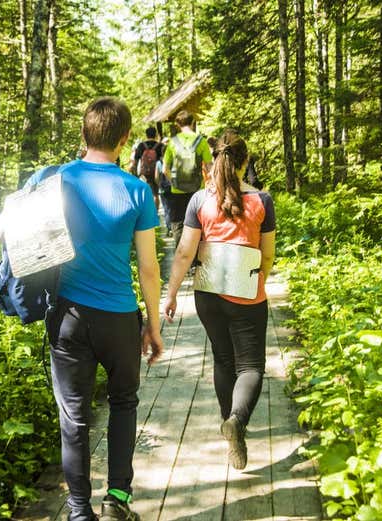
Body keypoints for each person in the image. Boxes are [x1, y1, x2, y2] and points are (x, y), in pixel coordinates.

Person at [0, 97, 163, 521]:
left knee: (74, 416)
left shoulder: (52, 179)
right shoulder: (138, 190)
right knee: (124, 402)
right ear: (125, 139)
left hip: (68, 317)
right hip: (120, 319)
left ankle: (77, 511)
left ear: (84, 134)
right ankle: (117, 501)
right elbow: (148, 268)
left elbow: (4, 228)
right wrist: (154, 326)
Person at [162, 129, 276, 471]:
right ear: (244, 164)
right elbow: (267, 255)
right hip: (246, 293)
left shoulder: (200, 201)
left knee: (224, 361)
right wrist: (257, 284)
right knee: (252, 366)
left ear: (214, 163)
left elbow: (184, 252)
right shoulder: (261, 201)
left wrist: (170, 295)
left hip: (208, 294)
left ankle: (230, 427)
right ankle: (237, 422)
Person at [162, 110, 213, 249]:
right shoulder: (201, 141)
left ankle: (181, 254)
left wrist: (172, 181)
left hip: (177, 190)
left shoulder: (172, 142)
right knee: (197, 222)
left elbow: (164, 169)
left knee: (178, 223)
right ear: (192, 122)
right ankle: (196, 258)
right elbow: (210, 166)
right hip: (197, 190)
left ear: (178, 124)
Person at [129, 127, 164, 210]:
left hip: (144, 173)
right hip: (156, 173)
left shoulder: (141, 145)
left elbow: (136, 160)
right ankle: (155, 214)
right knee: (155, 194)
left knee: (144, 192)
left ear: (146, 134)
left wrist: (135, 175)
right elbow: (164, 161)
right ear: (155, 134)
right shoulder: (160, 146)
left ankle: (145, 212)